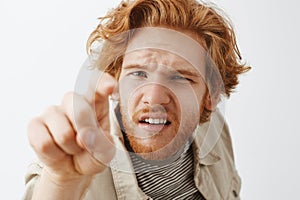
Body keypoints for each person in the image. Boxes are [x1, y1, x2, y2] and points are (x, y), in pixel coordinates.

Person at [23, 0, 250, 199]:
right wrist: (62, 183)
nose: (153, 98)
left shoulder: (216, 133)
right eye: (138, 73)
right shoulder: (69, 168)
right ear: (116, 82)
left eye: (180, 77)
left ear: (209, 96)